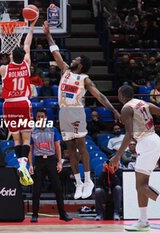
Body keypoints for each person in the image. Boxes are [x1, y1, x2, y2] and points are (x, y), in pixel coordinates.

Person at [43, 21, 120, 199]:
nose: (73, 59)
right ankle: (78, 183)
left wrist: (114, 111)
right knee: (69, 148)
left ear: (81, 65)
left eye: (76, 59)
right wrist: (47, 34)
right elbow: (55, 52)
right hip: (64, 113)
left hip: (76, 111)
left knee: (81, 146)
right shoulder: (64, 70)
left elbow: (100, 96)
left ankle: (88, 180)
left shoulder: (84, 79)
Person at [110, 85, 160, 231]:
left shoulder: (126, 108)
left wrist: (117, 157)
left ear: (121, 96)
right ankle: (143, 220)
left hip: (146, 142)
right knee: (141, 185)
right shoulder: (142, 103)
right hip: (154, 139)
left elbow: (129, 134)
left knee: (141, 186)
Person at [0, 16, 39, 186]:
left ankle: (20, 164)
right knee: (26, 138)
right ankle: (23, 164)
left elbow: (12, 54)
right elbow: (27, 45)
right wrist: (31, 27)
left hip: (9, 104)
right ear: (23, 57)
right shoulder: (26, 64)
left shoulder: (3, 69)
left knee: (16, 140)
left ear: (11, 56)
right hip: (23, 102)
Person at [28, 109, 72, 223]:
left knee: (58, 188)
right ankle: (34, 215)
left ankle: (63, 214)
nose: (40, 118)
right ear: (36, 118)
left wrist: (59, 162)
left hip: (51, 160)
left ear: (46, 117)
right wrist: (31, 164)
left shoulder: (53, 130)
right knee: (36, 189)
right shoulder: (32, 131)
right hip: (38, 161)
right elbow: (30, 149)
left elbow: (58, 147)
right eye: (38, 116)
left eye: (42, 116)